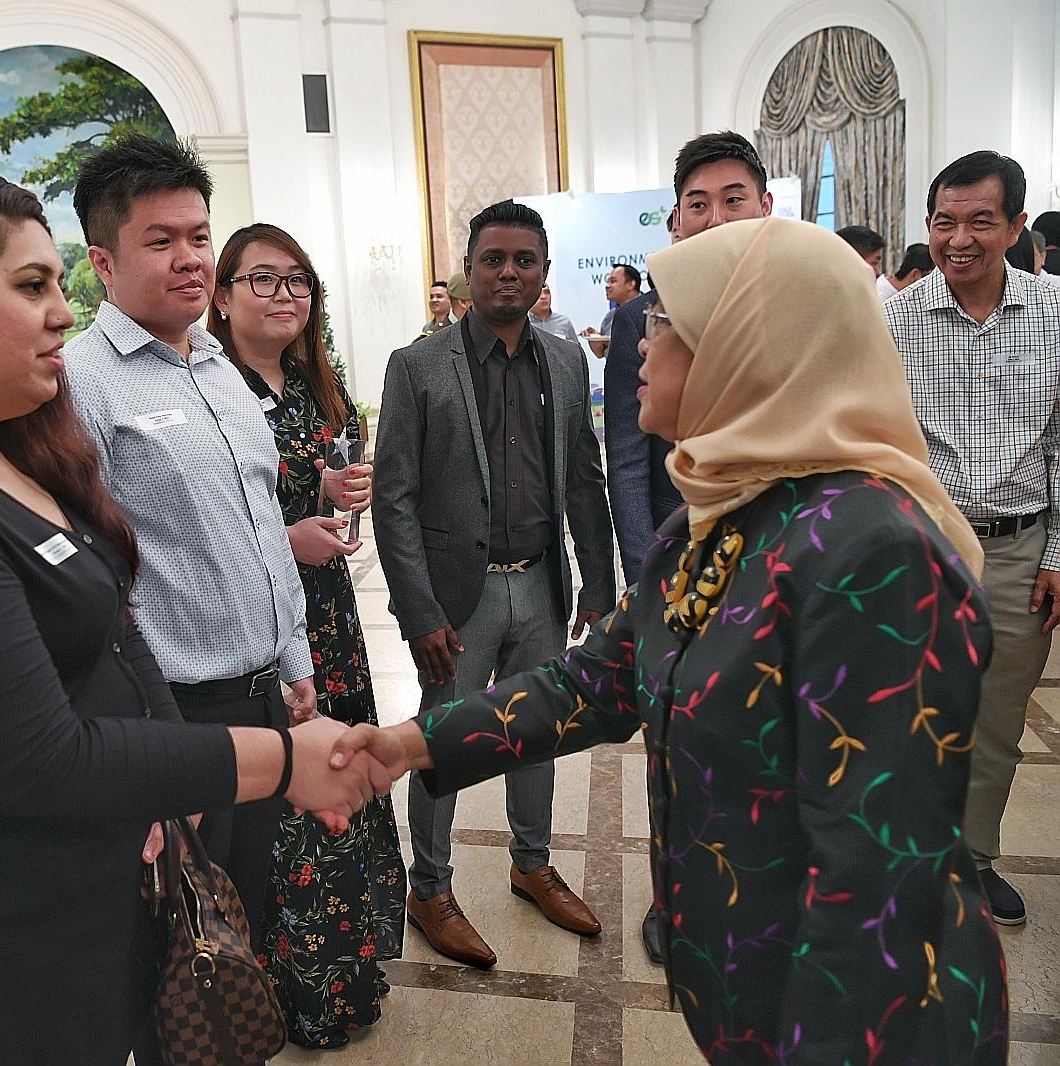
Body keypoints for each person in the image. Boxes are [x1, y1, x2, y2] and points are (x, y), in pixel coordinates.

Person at [340, 217, 1008, 1065]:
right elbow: (595, 683)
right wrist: (408, 742)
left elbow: (875, 887)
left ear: (746, 347)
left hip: (847, 1020)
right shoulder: (722, 515)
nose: (641, 349)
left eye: (665, 324)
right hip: (749, 993)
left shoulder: (874, 550)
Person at [0, 177, 389, 1066]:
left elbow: (112, 615)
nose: (63, 313)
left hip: (71, 867)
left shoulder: (4, 438)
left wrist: (153, 780)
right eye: (31, 287)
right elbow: (39, 757)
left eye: (57, 286)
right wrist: (283, 762)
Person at [63, 134, 321, 950]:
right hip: (176, 712)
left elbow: (260, 527)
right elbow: (90, 584)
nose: (189, 259)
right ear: (103, 263)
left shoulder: (218, 368)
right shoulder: (82, 382)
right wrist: (146, 737)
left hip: (264, 700)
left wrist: (296, 662)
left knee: (243, 912)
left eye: (199, 236)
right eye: (160, 240)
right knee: (181, 939)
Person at [373, 199, 615, 968]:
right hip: (456, 598)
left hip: (541, 584)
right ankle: (431, 888)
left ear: (543, 271)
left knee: (535, 733)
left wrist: (599, 583)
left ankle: (531, 864)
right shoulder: (418, 366)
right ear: (467, 269)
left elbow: (583, 476)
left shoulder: (567, 357)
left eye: (524, 260)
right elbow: (394, 495)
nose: (509, 272)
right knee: (442, 738)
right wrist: (418, 611)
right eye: (493, 260)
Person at [209, 222, 406, 1049]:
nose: (284, 294)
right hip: (261, 626)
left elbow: (315, 487)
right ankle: (284, 994)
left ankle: (349, 975)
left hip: (327, 617)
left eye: (297, 280)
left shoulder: (308, 386)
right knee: (288, 804)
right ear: (220, 298)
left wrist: (334, 489)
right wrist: (288, 535)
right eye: (262, 279)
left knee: (345, 769)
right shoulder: (211, 388)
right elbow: (201, 524)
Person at [605, 130, 773, 964]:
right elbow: (629, 460)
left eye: (731, 199)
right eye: (695, 205)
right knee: (672, 743)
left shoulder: (788, 301)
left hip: (771, 567)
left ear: (766, 207)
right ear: (673, 222)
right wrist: (650, 572)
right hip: (681, 561)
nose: (713, 218)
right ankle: (678, 902)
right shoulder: (637, 316)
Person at [886, 150, 1060, 927]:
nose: (960, 239)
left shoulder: (1055, 311)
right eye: (944, 222)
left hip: (1022, 550)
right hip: (919, 550)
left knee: (995, 721)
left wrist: (1057, 553)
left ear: (1016, 226)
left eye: (980, 221)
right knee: (910, 714)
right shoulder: (891, 319)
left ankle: (973, 861)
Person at [580, 263, 641, 357]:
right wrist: (595, 339)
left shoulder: (648, 311)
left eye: (613, 281)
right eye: (607, 281)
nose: (607, 286)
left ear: (630, 284)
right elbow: (600, 353)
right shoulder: (609, 317)